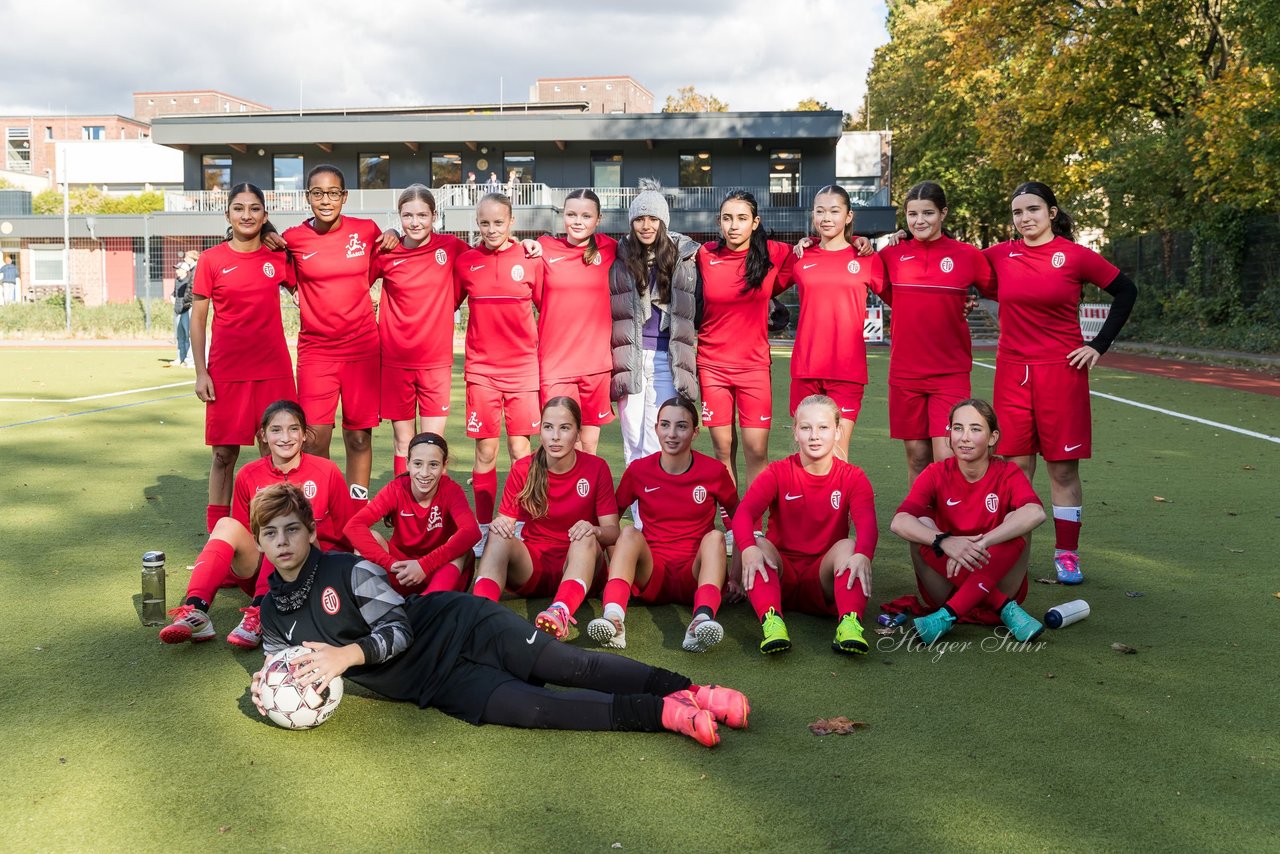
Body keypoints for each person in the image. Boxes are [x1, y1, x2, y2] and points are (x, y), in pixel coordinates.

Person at [250, 482, 749, 746]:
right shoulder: (271, 613)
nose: (283, 542)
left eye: (292, 530)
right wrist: (268, 684)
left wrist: (344, 657)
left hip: (456, 625)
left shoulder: (349, 571)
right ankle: (667, 714)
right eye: (271, 534)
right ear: (260, 542)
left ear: (312, 532)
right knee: (538, 708)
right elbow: (285, 662)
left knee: (567, 666)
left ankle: (694, 688)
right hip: (434, 684)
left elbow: (397, 628)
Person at [983, 181, 1137, 584]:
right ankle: (1009, 549)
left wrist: (1098, 345)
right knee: (1014, 466)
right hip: (1012, 372)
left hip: (1061, 372)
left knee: (1063, 471)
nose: (1024, 219)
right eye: (1017, 213)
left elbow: (1126, 290)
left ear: (1051, 212)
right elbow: (953, 260)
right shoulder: (1000, 254)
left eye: (1033, 210)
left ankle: (1067, 553)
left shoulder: (1074, 256)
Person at [160, 400, 352, 648]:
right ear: (263, 435)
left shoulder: (326, 471)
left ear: (305, 435)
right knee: (229, 525)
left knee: (280, 525)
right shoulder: (249, 474)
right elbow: (246, 536)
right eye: (276, 430)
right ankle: (196, 610)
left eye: (294, 429)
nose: (285, 437)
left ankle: (260, 613)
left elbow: (349, 530)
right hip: (263, 571)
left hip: (310, 573)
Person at [587, 396, 740, 653]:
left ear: (695, 432)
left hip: (695, 575)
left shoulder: (714, 471)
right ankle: (613, 618)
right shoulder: (638, 471)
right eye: (665, 425)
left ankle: (701, 620)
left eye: (681, 426)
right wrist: (619, 566)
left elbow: (740, 522)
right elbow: (609, 522)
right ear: (656, 428)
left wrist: (735, 577)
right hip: (652, 574)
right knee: (628, 532)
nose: (672, 433)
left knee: (714, 537)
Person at [889, 398, 1047, 644]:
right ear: (949, 435)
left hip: (999, 575)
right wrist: (945, 541)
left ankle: (947, 616)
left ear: (993, 437)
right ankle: (1005, 608)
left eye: (975, 429)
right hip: (946, 584)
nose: (964, 437)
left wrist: (981, 543)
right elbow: (899, 522)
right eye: (958, 428)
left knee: (1018, 519)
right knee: (920, 524)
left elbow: (1036, 513)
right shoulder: (935, 472)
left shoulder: (1007, 472)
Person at [732, 395, 878, 655]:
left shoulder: (853, 477)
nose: (814, 436)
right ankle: (772, 622)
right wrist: (747, 548)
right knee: (757, 543)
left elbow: (867, 524)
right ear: (796, 432)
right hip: (780, 573)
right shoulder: (778, 471)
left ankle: (849, 624)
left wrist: (863, 554)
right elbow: (744, 514)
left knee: (850, 546)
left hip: (823, 578)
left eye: (823, 427)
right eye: (806, 427)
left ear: (837, 432)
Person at [189, 184, 296, 534]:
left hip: (273, 371)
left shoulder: (278, 257)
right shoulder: (211, 259)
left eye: (254, 209)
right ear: (227, 215)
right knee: (223, 456)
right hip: (227, 373)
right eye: (238, 208)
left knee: (276, 454)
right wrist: (201, 372)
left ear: (264, 215)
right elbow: (199, 320)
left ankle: (275, 531)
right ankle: (218, 536)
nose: (246, 215)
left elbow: (310, 289)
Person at [281, 164, 388, 504]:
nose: (325, 200)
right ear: (307, 197)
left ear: (345, 196)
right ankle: (324, 510)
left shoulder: (366, 231)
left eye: (332, 193)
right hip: (317, 353)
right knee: (314, 440)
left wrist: (397, 234)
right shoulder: (292, 239)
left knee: (359, 438)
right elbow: (272, 267)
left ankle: (356, 512)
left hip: (362, 350)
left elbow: (384, 261)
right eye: (317, 193)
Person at [471, 397, 620, 640]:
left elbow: (613, 531)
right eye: (548, 427)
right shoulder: (523, 468)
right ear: (540, 430)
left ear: (578, 432)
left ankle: (561, 611)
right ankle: (478, 610)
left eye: (565, 428)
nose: (555, 436)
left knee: (584, 537)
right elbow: (506, 523)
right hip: (533, 567)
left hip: (579, 567)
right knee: (498, 533)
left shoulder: (596, 467)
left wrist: (594, 530)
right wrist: (500, 524)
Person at [878, 182, 997, 483]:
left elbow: (1006, 291)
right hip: (905, 373)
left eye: (928, 213)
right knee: (917, 457)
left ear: (943, 213)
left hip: (950, 372)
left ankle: (951, 522)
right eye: (912, 214)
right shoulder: (892, 254)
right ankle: (924, 522)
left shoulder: (967, 256)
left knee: (948, 455)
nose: (920, 221)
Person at [455, 193, 544, 554]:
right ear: (477, 223)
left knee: (521, 449)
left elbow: (550, 309)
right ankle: (482, 527)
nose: (491, 229)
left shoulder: (530, 259)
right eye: (484, 222)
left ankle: (519, 523)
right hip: (481, 371)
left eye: (498, 222)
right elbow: (443, 302)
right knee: (486, 451)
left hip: (523, 370)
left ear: (511, 222)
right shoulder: (466, 262)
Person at [696, 190, 796, 488]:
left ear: (755, 222)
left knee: (756, 451)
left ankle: (752, 527)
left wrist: (859, 241)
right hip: (711, 368)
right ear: (719, 222)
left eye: (742, 218)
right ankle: (731, 526)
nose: (734, 225)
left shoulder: (775, 254)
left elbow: (816, 250)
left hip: (753, 369)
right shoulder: (705, 255)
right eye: (727, 218)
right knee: (722, 450)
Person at [370, 184, 469, 476]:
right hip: (394, 362)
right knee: (403, 443)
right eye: (408, 215)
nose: (415, 222)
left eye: (422, 215)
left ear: (434, 215)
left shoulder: (451, 246)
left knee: (432, 444)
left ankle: (435, 515)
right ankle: (404, 511)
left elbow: (481, 265)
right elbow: (354, 283)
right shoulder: (386, 251)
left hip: (435, 362)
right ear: (398, 217)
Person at [788, 185, 887, 460]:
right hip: (806, 367)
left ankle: (838, 504)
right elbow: (766, 287)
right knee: (806, 451)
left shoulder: (866, 258)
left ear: (848, 215)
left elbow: (902, 297)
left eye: (834, 211)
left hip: (846, 369)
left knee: (838, 453)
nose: (827, 217)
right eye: (820, 211)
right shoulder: (800, 257)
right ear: (813, 216)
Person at [610, 179, 701, 473]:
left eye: (652, 218)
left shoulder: (685, 256)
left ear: (663, 221)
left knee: (656, 434)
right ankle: (638, 514)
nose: (646, 225)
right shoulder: (620, 256)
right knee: (632, 436)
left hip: (666, 358)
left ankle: (654, 511)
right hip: (631, 357)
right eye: (639, 219)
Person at [343, 431, 481, 597]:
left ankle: (431, 602)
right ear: (407, 463)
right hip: (403, 572)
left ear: (444, 466)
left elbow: (472, 532)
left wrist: (425, 565)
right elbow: (353, 527)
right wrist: (391, 564)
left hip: (441, 574)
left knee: (461, 546)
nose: (424, 473)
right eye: (417, 464)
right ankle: (376, 604)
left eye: (433, 465)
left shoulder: (451, 490)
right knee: (369, 539)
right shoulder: (396, 489)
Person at [537, 189, 617, 454]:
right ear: (563, 216)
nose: (578, 221)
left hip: (596, 365)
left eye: (586, 215)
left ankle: (586, 496)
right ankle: (554, 496)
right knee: (559, 443)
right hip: (556, 364)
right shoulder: (545, 248)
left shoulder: (611, 249)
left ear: (598, 219)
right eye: (571, 214)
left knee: (589, 445)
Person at [169, 250, 198, 368]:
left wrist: (186, 303)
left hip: (186, 309)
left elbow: (190, 293)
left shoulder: (189, 279)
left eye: (178, 268)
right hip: (178, 310)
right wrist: (172, 297)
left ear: (185, 270)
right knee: (179, 336)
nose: (176, 270)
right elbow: (175, 293)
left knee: (188, 336)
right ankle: (180, 357)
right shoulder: (177, 281)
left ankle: (189, 359)